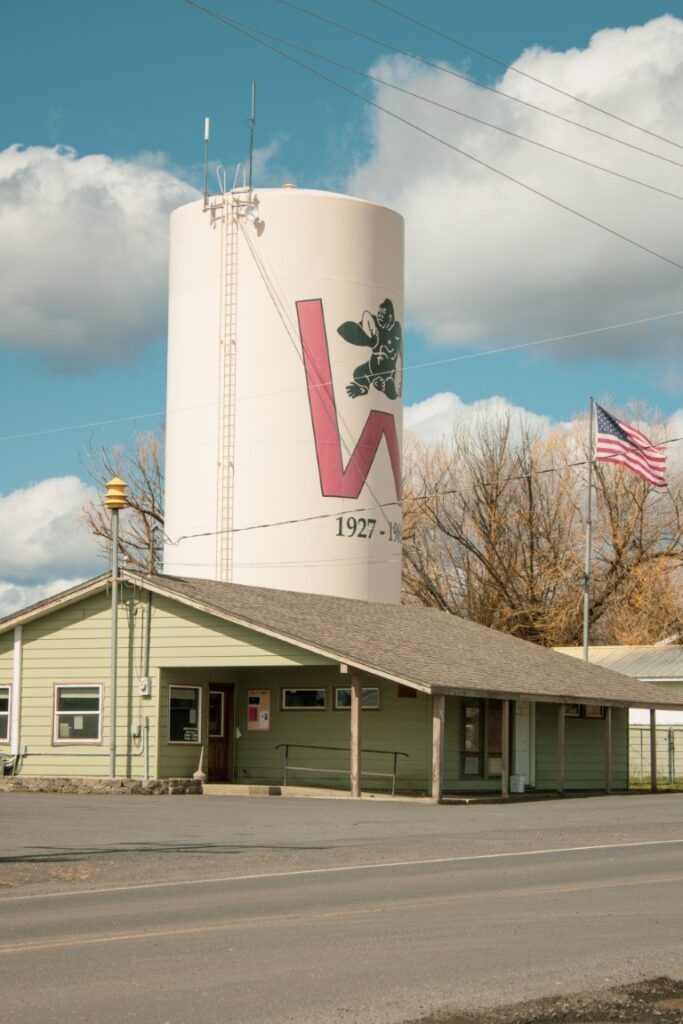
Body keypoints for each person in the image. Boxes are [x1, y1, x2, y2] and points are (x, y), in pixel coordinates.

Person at [337, 298, 402, 400]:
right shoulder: (373, 323)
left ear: (389, 316)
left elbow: (400, 352)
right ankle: (364, 387)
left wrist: (399, 376)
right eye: (379, 313)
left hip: (389, 370)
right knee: (359, 372)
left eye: (382, 313)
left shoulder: (396, 329)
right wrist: (368, 339)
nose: (379, 315)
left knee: (393, 395)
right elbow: (356, 329)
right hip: (373, 366)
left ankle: (383, 385)